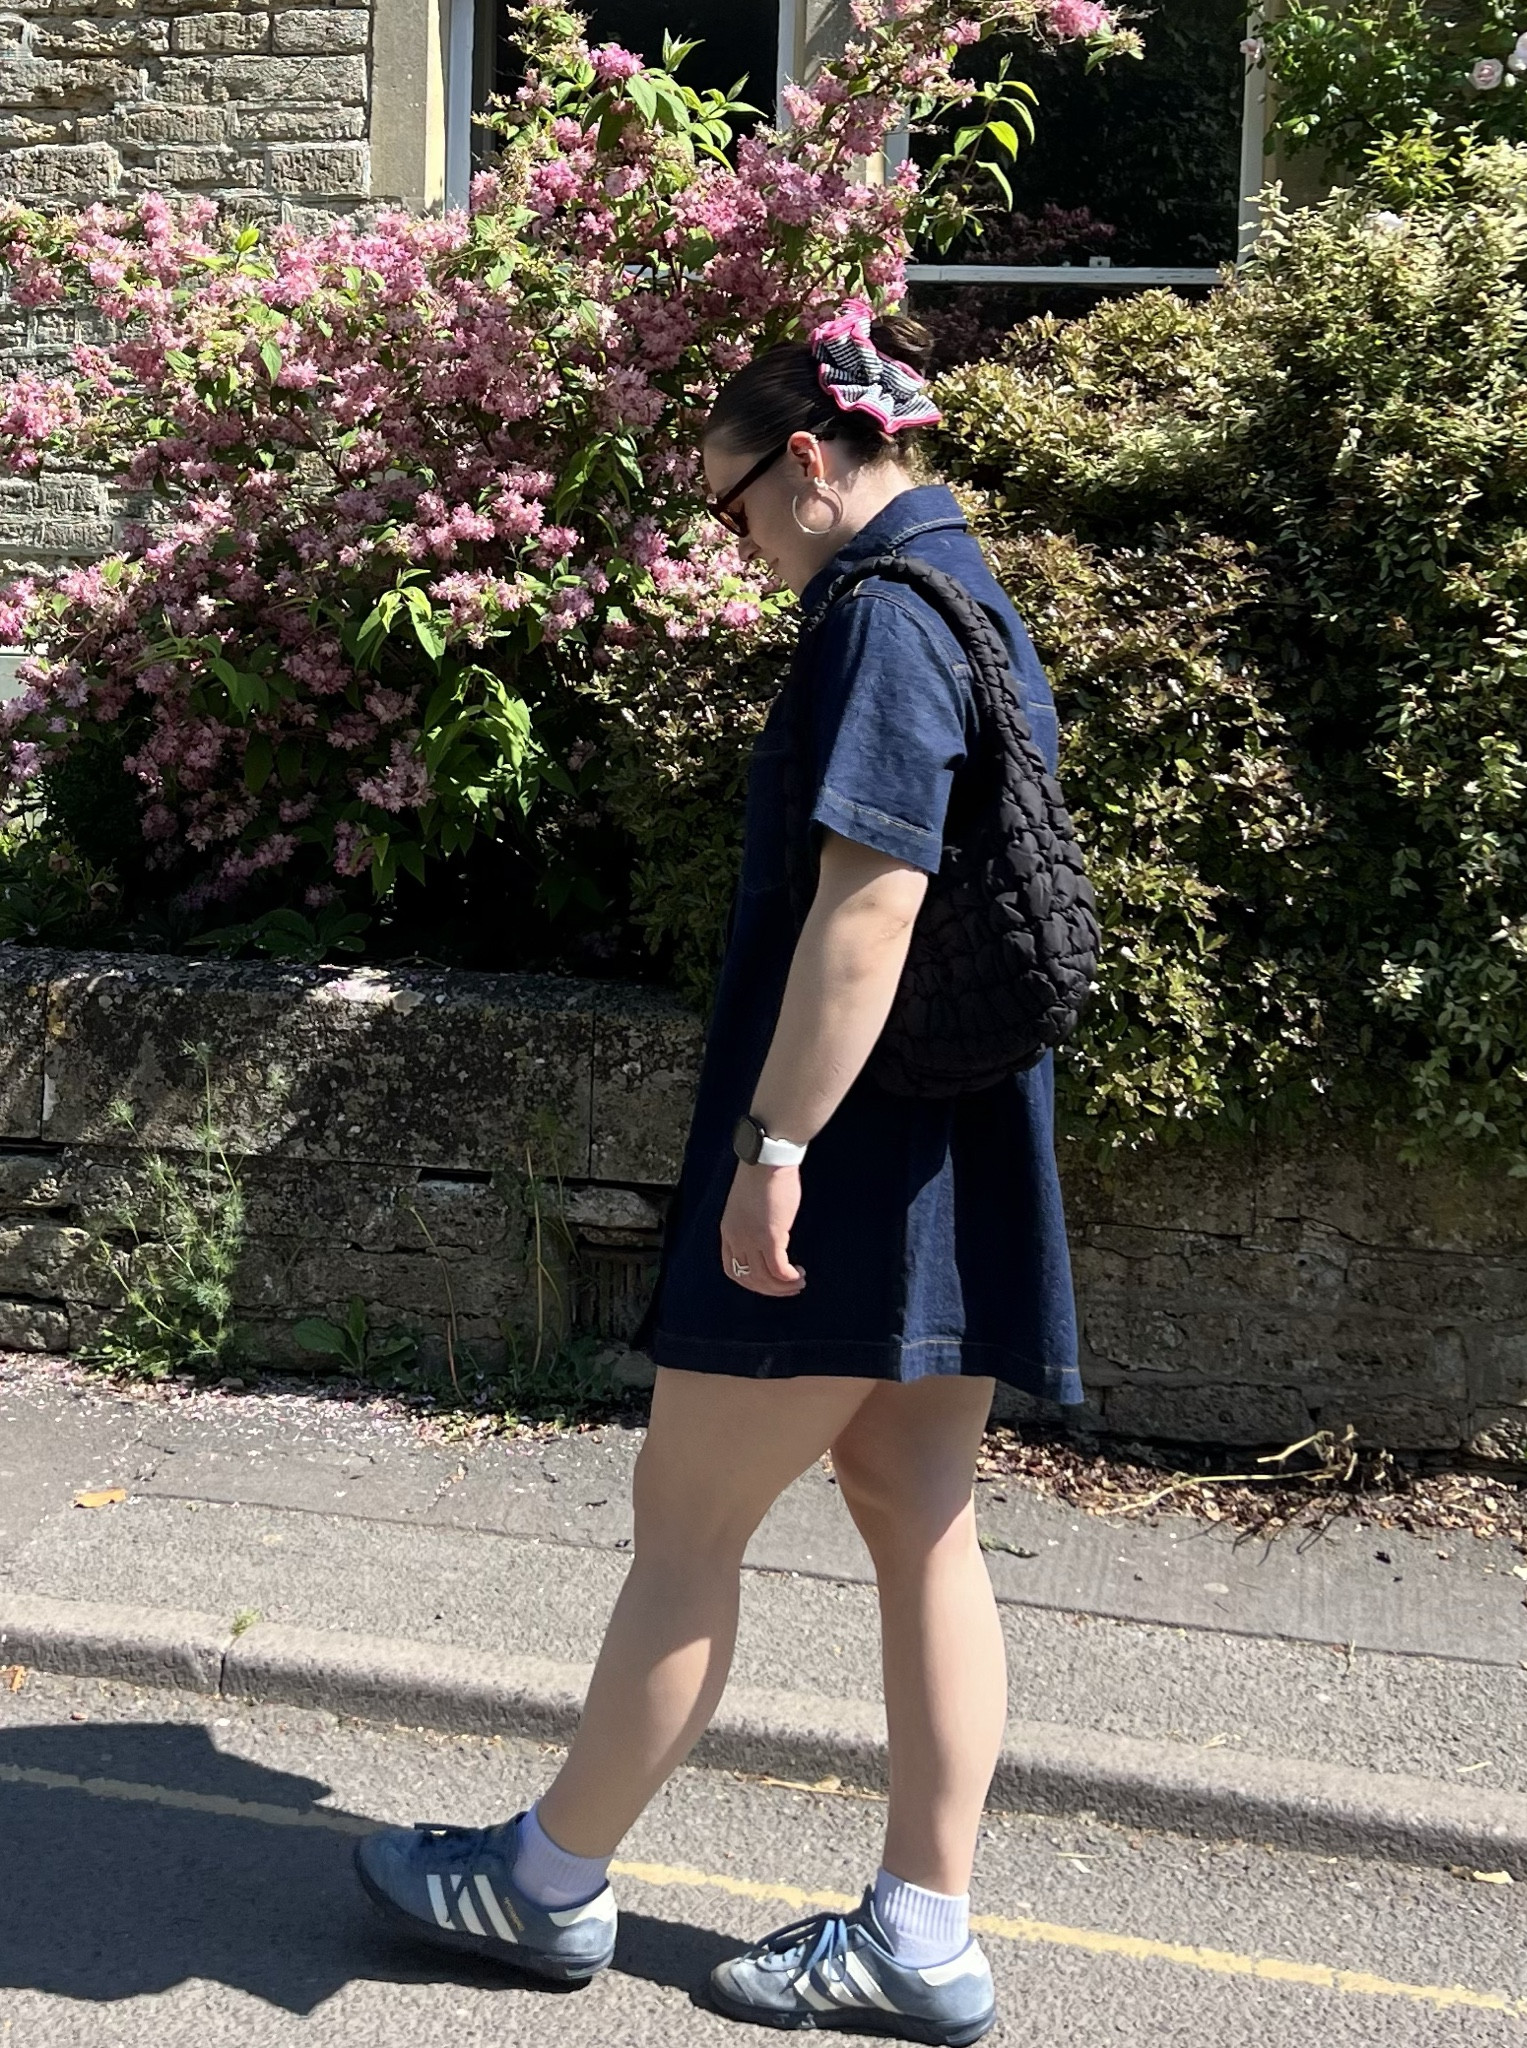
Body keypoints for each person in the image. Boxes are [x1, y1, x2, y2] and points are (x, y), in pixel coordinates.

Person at [353, 300, 1082, 2046]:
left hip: (846, 1147)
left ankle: (540, 1884)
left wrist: (776, 1150)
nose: (739, 545)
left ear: (812, 463)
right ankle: (922, 1929)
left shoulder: (880, 623)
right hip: (949, 1144)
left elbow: (872, 903)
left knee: (684, 1530)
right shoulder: (977, 598)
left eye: (736, 505)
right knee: (922, 1524)